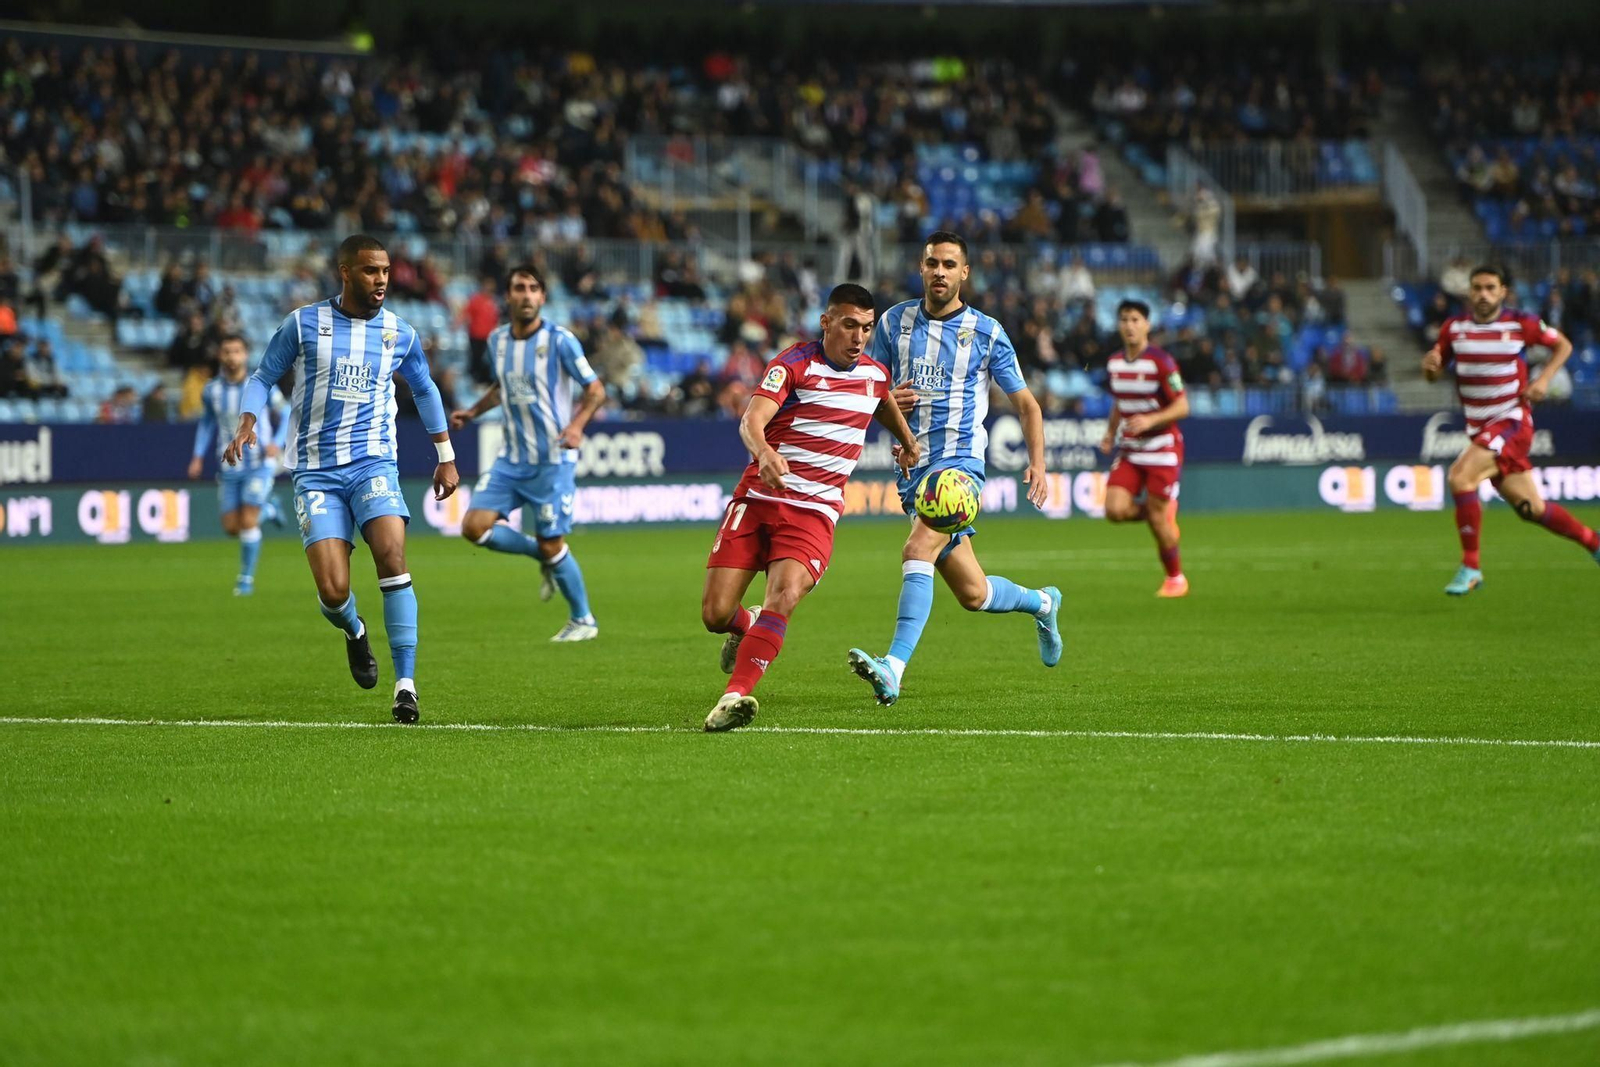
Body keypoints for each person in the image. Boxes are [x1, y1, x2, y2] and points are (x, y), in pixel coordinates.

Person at [223, 234, 458, 723]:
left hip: (374, 464)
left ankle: (406, 686)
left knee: (392, 556)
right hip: (316, 472)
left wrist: (445, 455)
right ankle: (354, 630)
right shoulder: (304, 324)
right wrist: (247, 421)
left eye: (387, 271)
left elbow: (425, 387)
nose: (381, 281)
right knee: (333, 591)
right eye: (371, 271)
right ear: (345, 272)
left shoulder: (400, 333)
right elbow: (264, 375)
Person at [847, 232, 1063, 707]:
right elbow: (865, 388)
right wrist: (886, 401)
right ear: (920, 268)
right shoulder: (892, 322)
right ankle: (1044, 603)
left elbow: (1027, 405)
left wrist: (1039, 465)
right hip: (911, 472)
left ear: (965, 272)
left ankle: (894, 667)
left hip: (960, 467)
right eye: (932, 263)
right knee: (974, 593)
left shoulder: (986, 332)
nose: (939, 272)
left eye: (949, 264)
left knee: (917, 547)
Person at [701, 284, 920, 732]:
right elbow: (752, 420)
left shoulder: (875, 374)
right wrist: (763, 453)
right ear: (827, 323)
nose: (858, 336)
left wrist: (908, 442)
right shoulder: (795, 364)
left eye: (866, 327)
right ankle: (746, 624)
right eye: (848, 325)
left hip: (814, 511)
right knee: (715, 615)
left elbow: (880, 401)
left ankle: (734, 696)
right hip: (758, 500)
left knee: (784, 595)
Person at [450, 265, 606, 642]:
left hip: (552, 461)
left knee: (554, 542)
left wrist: (576, 425)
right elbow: (503, 387)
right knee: (473, 527)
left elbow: (596, 390)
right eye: (519, 288)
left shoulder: (560, 341)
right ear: (508, 296)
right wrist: (473, 411)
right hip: (511, 459)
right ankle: (546, 558)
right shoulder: (497, 341)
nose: (526, 294)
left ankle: (583, 620)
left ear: (543, 297)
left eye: (534, 288)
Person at [1422, 265, 1597, 595]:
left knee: (1461, 477)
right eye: (1477, 288)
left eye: (1490, 287)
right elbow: (1435, 369)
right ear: (1469, 292)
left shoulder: (1520, 323)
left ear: (1503, 292)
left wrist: (1543, 380)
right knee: (1532, 509)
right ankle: (1594, 541)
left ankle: (1471, 567)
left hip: (1512, 422)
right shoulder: (1454, 328)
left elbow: (1563, 345)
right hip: (1480, 429)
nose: (1483, 294)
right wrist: (1429, 367)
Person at [1099, 301, 1191, 597]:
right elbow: (1119, 402)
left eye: (1135, 319)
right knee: (1114, 510)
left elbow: (1183, 406)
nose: (1129, 325)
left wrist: (1152, 419)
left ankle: (1176, 578)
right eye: (1124, 319)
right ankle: (1161, 512)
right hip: (1130, 450)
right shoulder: (1114, 362)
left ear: (1147, 325)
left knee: (1157, 518)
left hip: (1162, 448)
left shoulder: (1161, 362)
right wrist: (1111, 432)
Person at [189, 334, 288, 596]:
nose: (231, 356)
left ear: (245, 355)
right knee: (231, 527)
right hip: (230, 465)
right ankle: (271, 510)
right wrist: (197, 456)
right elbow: (207, 423)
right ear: (220, 356)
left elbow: (287, 412)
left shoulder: (261, 386)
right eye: (227, 351)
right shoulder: (212, 390)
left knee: (248, 521)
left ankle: (245, 579)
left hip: (260, 462)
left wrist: (277, 442)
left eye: (236, 351)